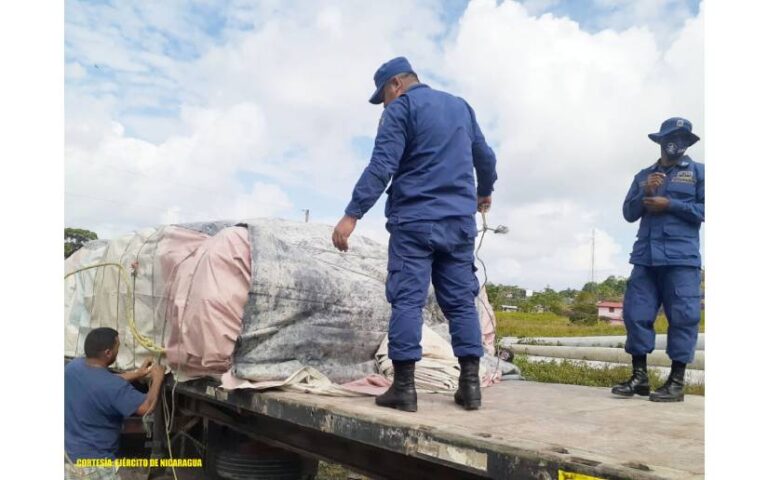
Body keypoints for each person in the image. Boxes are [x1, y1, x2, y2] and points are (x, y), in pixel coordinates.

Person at [332, 57, 498, 412]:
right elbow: (484, 156)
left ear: (396, 85)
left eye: (383, 97)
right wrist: (484, 191)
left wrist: (352, 214)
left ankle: (404, 389)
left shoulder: (401, 110)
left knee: (408, 300)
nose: (384, 104)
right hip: (458, 223)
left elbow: (382, 166)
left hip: (415, 222)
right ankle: (470, 387)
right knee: (460, 302)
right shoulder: (460, 106)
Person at [612, 117, 704, 402]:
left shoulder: (699, 173)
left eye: (682, 138)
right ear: (661, 140)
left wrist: (671, 204)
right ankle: (639, 378)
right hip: (645, 258)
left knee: (683, 318)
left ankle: (676, 382)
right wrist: (645, 193)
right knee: (635, 314)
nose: (675, 143)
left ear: (688, 143)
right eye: (670, 137)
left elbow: (705, 210)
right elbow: (628, 213)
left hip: (681, 260)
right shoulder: (643, 175)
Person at [65, 327, 165, 479]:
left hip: (68, 459)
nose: (119, 350)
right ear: (108, 353)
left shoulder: (73, 368)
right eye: (118, 347)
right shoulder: (114, 388)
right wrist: (158, 378)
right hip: (95, 466)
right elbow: (147, 406)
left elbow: (101, 382)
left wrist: (137, 373)